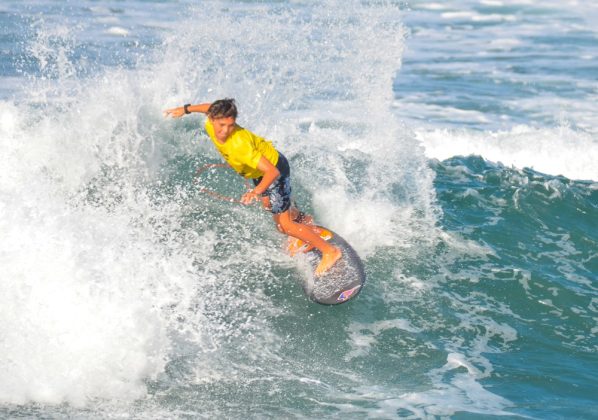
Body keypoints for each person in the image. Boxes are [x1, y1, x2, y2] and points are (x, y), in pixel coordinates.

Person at [164, 98, 342, 276]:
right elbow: (209, 107)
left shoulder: (240, 146)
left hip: (274, 170)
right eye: (222, 125)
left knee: (284, 227)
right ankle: (304, 221)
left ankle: (330, 251)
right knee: (269, 206)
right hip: (259, 172)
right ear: (212, 119)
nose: (225, 130)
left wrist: (255, 192)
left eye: (231, 125)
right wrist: (185, 109)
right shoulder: (212, 120)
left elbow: (272, 172)